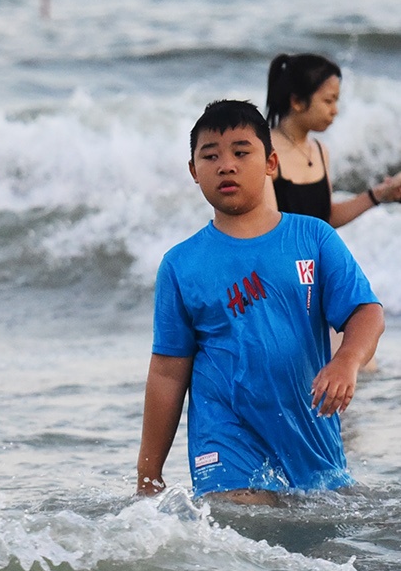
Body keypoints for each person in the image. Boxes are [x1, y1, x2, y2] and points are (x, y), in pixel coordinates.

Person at [136, 101, 384, 506]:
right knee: (240, 519)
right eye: (210, 156)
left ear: (271, 163)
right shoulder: (181, 265)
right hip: (225, 440)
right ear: (194, 171)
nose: (226, 165)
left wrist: (346, 361)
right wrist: (148, 475)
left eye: (240, 152)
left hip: (310, 437)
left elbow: (366, 312)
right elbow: (166, 373)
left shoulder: (314, 238)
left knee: (316, 548)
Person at [267, 52, 401, 225]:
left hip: (317, 253)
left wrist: (380, 194)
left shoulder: (320, 151)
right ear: (297, 101)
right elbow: (267, 229)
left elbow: (327, 218)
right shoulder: (265, 151)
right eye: (328, 101)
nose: (335, 110)